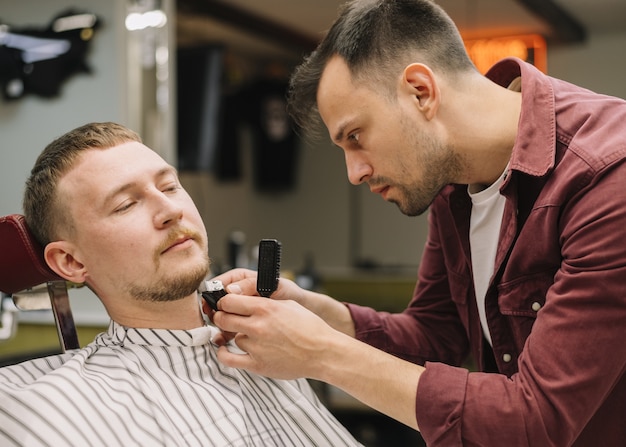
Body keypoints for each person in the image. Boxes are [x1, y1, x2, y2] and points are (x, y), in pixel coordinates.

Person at [208, 0, 626, 446]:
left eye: (356, 137)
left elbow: (535, 420)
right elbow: (434, 335)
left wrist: (320, 353)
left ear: (421, 91)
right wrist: (322, 316)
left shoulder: (607, 177)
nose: (355, 173)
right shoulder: (453, 185)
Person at [0, 122, 362, 447]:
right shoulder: (42, 404)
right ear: (71, 262)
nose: (171, 210)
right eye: (126, 204)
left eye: (170, 185)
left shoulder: (275, 344)